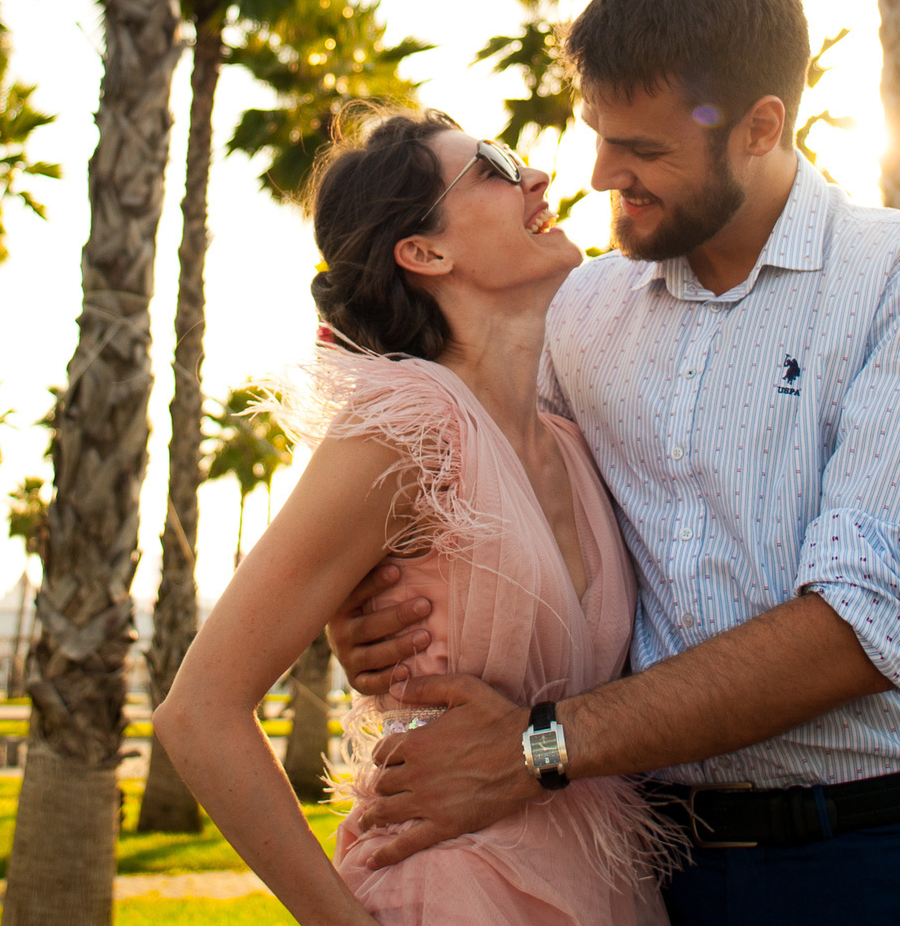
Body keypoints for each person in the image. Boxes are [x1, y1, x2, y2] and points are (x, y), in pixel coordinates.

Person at [328, 0, 900, 925]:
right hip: (657, 874)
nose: (602, 172)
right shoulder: (576, 312)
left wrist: (537, 745)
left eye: (646, 149)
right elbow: (488, 509)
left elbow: (860, 626)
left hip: (883, 864)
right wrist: (366, 610)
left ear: (759, 128)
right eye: (598, 133)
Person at [154, 107, 677, 926]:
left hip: (600, 891)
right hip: (451, 892)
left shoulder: (574, 444)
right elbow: (199, 710)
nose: (536, 176)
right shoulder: (407, 429)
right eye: (496, 167)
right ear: (425, 252)